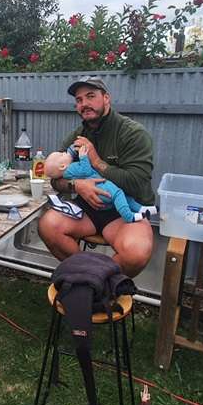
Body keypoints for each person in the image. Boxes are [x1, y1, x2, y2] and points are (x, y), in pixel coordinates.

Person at [38, 76, 155, 277]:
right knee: (48, 226)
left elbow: (137, 183)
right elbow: (56, 178)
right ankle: (89, 279)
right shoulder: (76, 136)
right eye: (79, 100)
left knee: (136, 253)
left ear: (106, 98)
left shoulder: (133, 133)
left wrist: (95, 160)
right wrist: (77, 186)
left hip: (124, 209)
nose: (84, 104)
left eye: (90, 96)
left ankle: (98, 282)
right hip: (88, 208)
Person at [44, 145, 157, 223]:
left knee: (125, 197)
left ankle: (141, 209)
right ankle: (129, 216)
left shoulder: (69, 169)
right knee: (118, 194)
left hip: (100, 188)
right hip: (99, 189)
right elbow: (86, 170)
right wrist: (83, 157)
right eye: (62, 154)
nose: (65, 152)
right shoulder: (71, 169)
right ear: (62, 166)